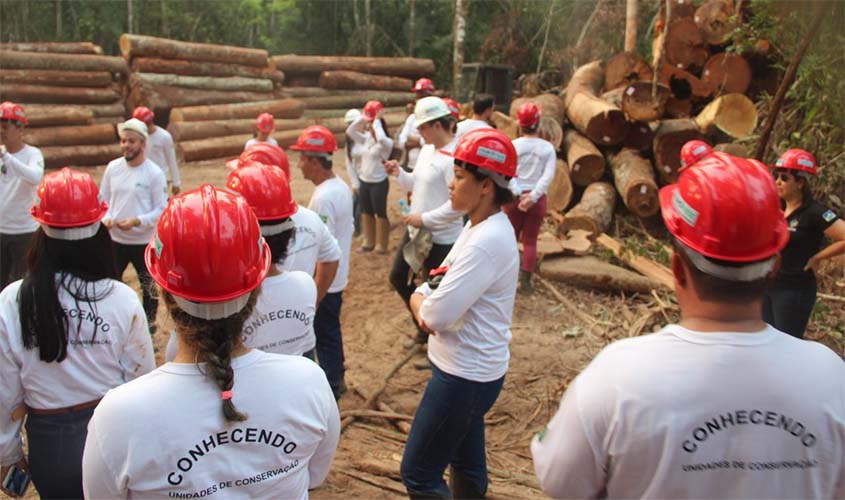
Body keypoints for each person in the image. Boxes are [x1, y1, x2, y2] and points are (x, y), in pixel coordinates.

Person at [531, 154, 845, 499]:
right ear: (774, 268)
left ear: (676, 269)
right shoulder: (831, 377)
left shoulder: (617, 376)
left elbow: (561, 482)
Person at [82, 185, 340, 498]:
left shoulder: (120, 415)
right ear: (256, 291)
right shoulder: (308, 381)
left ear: (163, 293)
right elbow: (314, 476)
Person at [0, 168, 154, 499]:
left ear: (39, 233)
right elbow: (142, 382)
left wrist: (8, 455)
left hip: (50, 445)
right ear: (99, 232)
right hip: (114, 437)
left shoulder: (13, 300)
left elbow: (5, 392)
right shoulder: (120, 298)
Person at [400, 129, 519, 499]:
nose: (451, 185)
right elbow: (434, 285)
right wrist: (424, 300)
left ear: (486, 185)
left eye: (461, 176)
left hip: (463, 377)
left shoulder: (487, 241)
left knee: (419, 473)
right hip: (471, 371)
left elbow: (432, 315)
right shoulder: (477, 226)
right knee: (465, 462)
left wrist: (422, 303)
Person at [385, 97, 463, 348]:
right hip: (418, 231)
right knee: (399, 277)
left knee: (437, 292)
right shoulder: (428, 150)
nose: (418, 132)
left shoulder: (453, 158)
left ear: (437, 125)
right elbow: (416, 183)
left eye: (422, 127)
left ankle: (434, 343)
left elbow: (457, 205)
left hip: (441, 238)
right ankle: (423, 325)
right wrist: (399, 174)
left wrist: (425, 218)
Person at [229, 140, 341, 305]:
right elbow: (332, 256)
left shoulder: (239, 229)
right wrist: (313, 302)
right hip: (296, 315)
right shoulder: (311, 218)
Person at [290, 126, 353, 400]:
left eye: (302, 158)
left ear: (315, 161)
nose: (299, 164)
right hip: (336, 276)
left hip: (326, 280)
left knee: (323, 333)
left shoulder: (323, 198)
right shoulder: (340, 186)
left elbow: (320, 248)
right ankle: (336, 378)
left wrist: (316, 287)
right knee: (330, 330)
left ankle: (331, 386)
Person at [764, 148, 844, 338]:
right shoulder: (776, 207)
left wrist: (818, 257)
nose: (778, 182)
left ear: (800, 183)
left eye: (784, 178)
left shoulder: (814, 212)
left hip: (794, 289)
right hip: (769, 285)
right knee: (765, 339)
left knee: (786, 342)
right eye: (776, 176)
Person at [100, 118, 168, 334]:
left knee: (148, 288)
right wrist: (107, 218)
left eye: (131, 141)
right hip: (116, 240)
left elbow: (161, 208)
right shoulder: (113, 168)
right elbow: (103, 201)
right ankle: (114, 322)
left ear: (143, 144)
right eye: (123, 141)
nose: (126, 145)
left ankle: (148, 328)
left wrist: (138, 220)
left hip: (143, 241)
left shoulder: (154, 173)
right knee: (110, 283)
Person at [504, 102, 556, 294]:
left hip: (513, 198)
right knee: (530, 241)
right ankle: (526, 283)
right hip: (537, 199)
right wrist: (533, 197)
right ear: (538, 122)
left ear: (520, 124)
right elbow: (548, 176)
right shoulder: (547, 149)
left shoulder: (513, 146)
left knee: (509, 239)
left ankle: (505, 278)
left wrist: (519, 194)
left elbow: (507, 173)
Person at [0, 102, 44, 290]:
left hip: (24, 232)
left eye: (5, 127)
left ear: (20, 128)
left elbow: (35, 176)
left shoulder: (33, 154)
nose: (1, 132)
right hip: (1, 229)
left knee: (20, 285)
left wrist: (7, 158)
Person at [346, 100, 393, 254]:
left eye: (372, 125)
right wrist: (364, 116)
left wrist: (377, 121)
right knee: (366, 211)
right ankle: (369, 241)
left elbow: (381, 138)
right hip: (365, 180)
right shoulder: (366, 139)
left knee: (380, 212)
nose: (370, 127)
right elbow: (350, 132)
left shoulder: (386, 143)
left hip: (379, 182)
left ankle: (381, 244)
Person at [132, 106, 181, 196]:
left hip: (161, 178)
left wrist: (176, 182)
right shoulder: (140, 138)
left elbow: (171, 159)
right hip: (143, 178)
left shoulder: (164, 137)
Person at [398, 78, 436, 172]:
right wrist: (421, 141)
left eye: (421, 95)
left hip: (430, 168)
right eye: (417, 95)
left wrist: (415, 140)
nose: (418, 98)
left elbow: (434, 142)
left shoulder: (436, 118)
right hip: (412, 167)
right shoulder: (412, 118)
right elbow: (401, 142)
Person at [344, 108, 364, 236]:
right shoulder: (349, 144)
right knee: (354, 205)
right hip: (358, 178)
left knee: (361, 207)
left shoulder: (365, 139)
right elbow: (349, 164)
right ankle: (355, 229)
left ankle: (360, 230)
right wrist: (355, 183)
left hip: (368, 177)